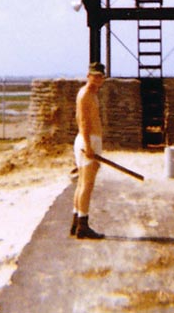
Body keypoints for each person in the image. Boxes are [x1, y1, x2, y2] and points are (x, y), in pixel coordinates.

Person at [71, 61, 106, 239]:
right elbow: (83, 121)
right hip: (88, 141)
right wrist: (89, 146)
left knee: (82, 183)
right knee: (87, 184)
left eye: (101, 76)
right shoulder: (85, 94)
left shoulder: (92, 93)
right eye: (95, 75)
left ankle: (76, 221)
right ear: (88, 75)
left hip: (89, 141)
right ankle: (83, 226)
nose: (99, 79)